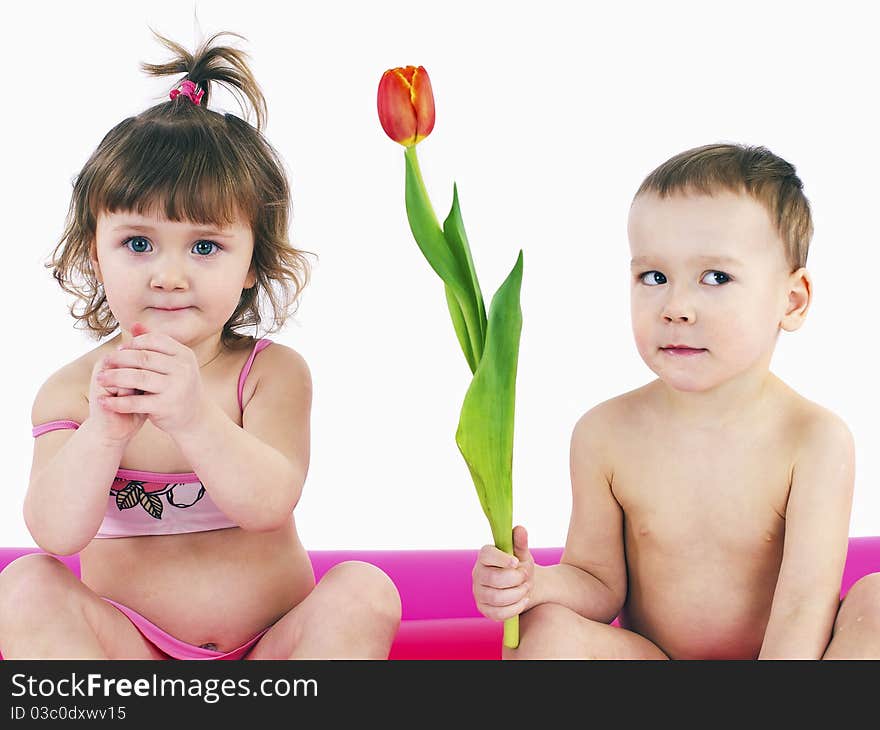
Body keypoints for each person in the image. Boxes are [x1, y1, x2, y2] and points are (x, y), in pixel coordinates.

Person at [0, 30, 401, 660]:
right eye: (138, 244)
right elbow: (53, 533)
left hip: (270, 657)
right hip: (135, 661)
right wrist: (103, 432)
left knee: (365, 592)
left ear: (251, 265)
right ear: (93, 251)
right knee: (23, 586)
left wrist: (192, 417)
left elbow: (269, 503)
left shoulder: (269, 374)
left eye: (205, 247)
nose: (168, 275)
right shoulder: (76, 390)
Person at [472, 143, 880, 659]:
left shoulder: (815, 440)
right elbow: (597, 584)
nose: (676, 308)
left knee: (876, 600)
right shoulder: (605, 432)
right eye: (654, 277)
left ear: (791, 301)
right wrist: (534, 584)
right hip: (656, 665)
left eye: (716, 278)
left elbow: (804, 608)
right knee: (544, 632)